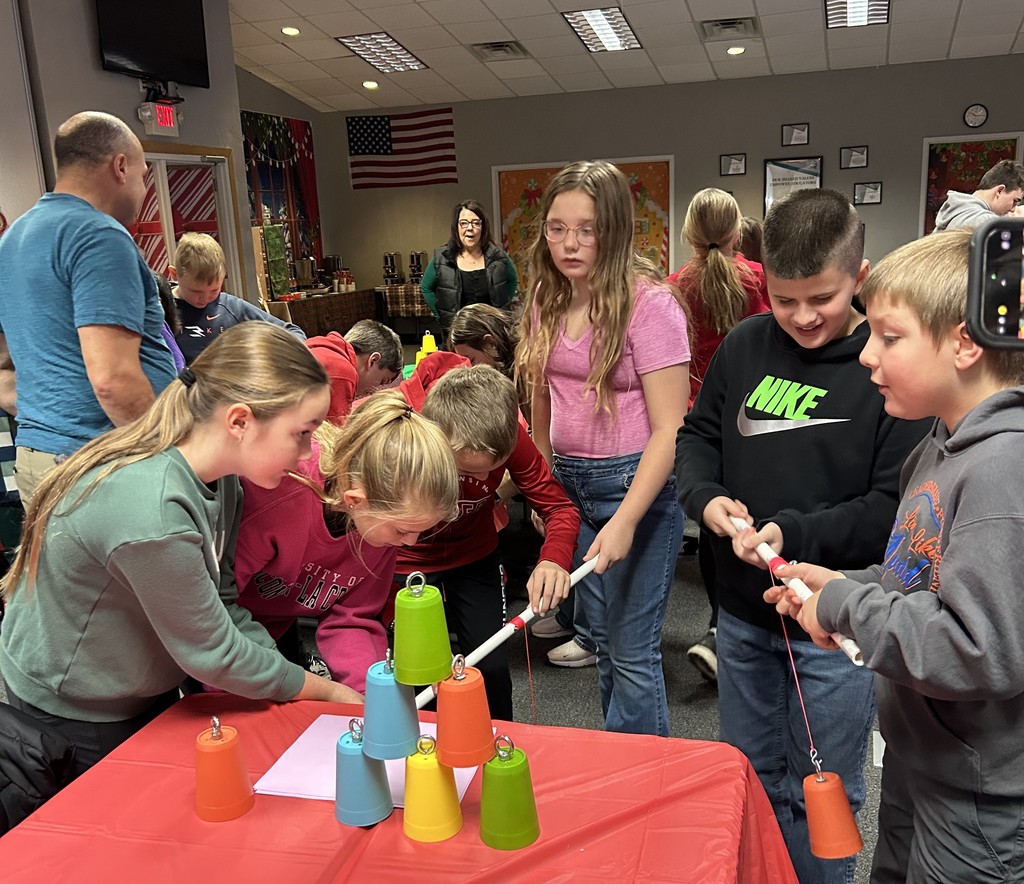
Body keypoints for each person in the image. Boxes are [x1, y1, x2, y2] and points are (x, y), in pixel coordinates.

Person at [676, 187, 930, 883]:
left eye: (821, 297)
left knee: (825, 790)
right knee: (751, 781)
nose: (802, 316)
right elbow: (696, 437)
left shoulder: (887, 371)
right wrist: (708, 501)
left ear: (861, 277)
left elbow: (891, 509)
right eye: (785, 300)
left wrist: (792, 532)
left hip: (835, 621)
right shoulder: (745, 343)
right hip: (743, 615)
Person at [769, 229, 1024, 883]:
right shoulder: (937, 446)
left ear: (965, 343)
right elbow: (916, 578)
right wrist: (841, 586)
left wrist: (851, 607)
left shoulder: (1001, 469)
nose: (866, 356)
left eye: (890, 336)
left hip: (980, 801)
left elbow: (978, 650)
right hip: (920, 762)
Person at [0, 323, 362, 777]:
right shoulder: (152, 511)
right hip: (77, 704)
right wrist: (324, 692)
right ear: (240, 421)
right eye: (302, 433)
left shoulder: (224, 478)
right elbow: (212, 652)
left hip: (137, 679)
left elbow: (223, 602)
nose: (308, 451)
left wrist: (283, 678)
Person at [516, 160, 690, 736]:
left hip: (634, 488)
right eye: (557, 227)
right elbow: (540, 404)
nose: (569, 243)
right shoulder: (546, 296)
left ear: (612, 230)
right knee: (603, 646)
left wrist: (626, 521)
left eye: (586, 229)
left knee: (634, 652)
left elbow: (669, 430)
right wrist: (546, 494)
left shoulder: (651, 305)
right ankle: (625, 767)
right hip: (571, 484)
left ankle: (648, 785)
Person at [232, 390, 460, 695]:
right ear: (356, 501)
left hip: (272, 628)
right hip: (219, 637)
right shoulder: (276, 493)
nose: (410, 543)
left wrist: (371, 695)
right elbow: (211, 610)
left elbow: (352, 617)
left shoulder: (377, 526)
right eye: (402, 531)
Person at [0, 111, 176, 506]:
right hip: (100, 463)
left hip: (39, 460)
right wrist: (168, 459)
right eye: (143, 175)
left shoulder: (12, 241)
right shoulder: (98, 235)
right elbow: (113, 380)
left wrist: (51, 414)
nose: (144, 189)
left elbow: (2, 372)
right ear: (120, 166)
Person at [395, 362, 581, 721]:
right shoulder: (406, 434)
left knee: (491, 670)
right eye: (467, 470)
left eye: (493, 468)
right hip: (406, 561)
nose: (486, 481)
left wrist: (553, 559)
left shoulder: (508, 432)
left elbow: (559, 509)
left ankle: (497, 756)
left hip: (475, 554)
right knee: (418, 681)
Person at [666, 188, 770, 683]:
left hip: (697, 421)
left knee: (715, 523)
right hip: (751, 416)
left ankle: (719, 624)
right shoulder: (758, 280)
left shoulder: (673, 286)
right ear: (737, 233)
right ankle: (732, 627)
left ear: (689, 234)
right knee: (755, 517)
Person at [171, 232, 306, 363]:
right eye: (196, 292)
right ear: (174, 274)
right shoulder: (162, 311)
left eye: (214, 290)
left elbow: (293, 332)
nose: (205, 298)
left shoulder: (232, 307)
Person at [420, 200, 518, 340]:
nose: (470, 228)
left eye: (476, 223)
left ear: (483, 227)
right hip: (457, 335)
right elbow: (426, 287)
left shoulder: (498, 256)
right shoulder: (441, 258)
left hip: (491, 334)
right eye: (464, 223)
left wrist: (503, 308)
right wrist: (440, 315)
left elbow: (513, 280)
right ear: (457, 227)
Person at [305, 320, 403, 423]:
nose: (374, 390)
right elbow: (334, 433)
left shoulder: (318, 345)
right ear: (373, 360)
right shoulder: (342, 373)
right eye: (382, 381)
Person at [932, 158, 1024, 231]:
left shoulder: (958, 212)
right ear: (1000, 191)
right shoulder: (984, 222)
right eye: (1015, 201)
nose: (1013, 209)